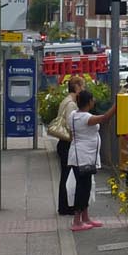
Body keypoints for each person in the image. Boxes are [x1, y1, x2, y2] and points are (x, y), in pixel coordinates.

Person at [66, 89, 117, 231]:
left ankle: (85, 218)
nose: (94, 101)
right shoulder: (85, 118)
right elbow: (105, 118)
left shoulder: (73, 115)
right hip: (84, 156)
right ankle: (77, 221)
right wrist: (118, 105)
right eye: (92, 99)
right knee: (82, 189)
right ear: (88, 102)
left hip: (78, 155)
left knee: (86, 187)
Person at [56, 77, 86, 217]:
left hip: (63, 143)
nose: (84, 89)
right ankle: (66, 206)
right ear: (77, 87)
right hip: (67, 143)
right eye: (83, 86)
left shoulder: (66, 101)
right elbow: (70, 125)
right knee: (68, 175)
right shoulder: (71, 104)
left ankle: (65, 205)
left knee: (66, 174)